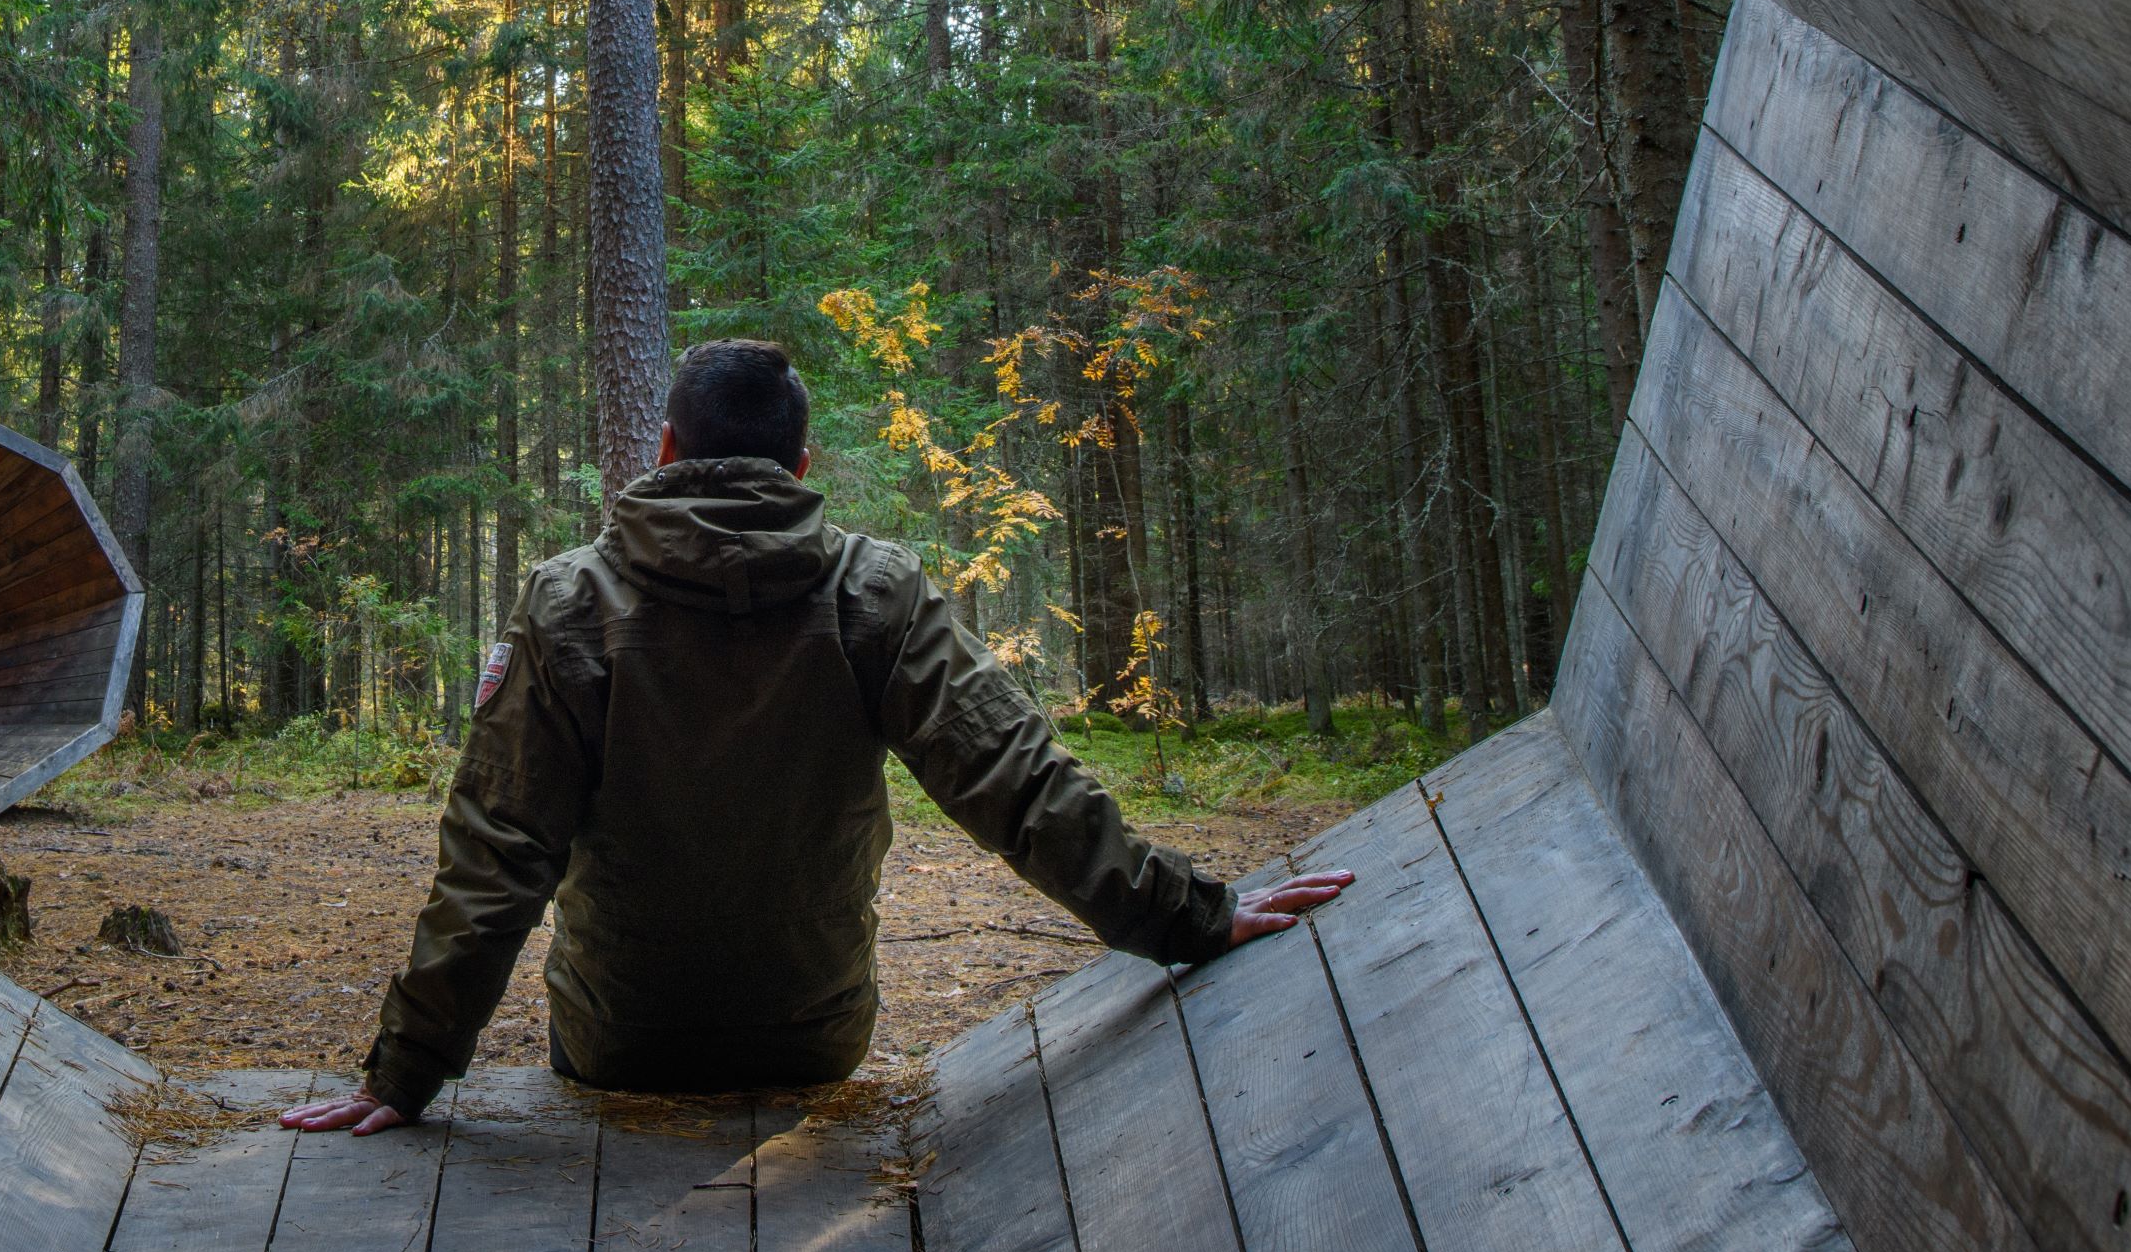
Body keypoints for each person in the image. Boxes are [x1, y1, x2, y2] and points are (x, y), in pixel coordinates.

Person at [282, 339, 1351, 1134]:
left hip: (616, 1049)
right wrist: (1189, 917)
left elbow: (498, 852)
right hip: (817, 1040)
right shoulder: (868, 592)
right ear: (800, 463)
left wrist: (404, 1074)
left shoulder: (572, 602)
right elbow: (1017, 784)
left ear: (665, 450)